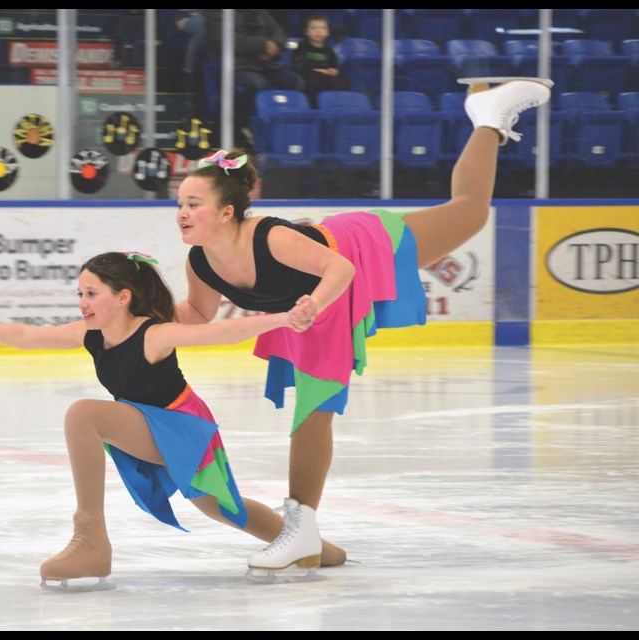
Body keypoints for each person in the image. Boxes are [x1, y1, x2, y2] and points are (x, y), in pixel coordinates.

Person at [173, 78, 553, 576]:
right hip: (306, 308)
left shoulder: (272, 238)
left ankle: (489, 119)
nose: (181, 213)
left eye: (192, 204)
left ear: (226, 211)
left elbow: (340, 271)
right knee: (314, 408)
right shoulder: (202, 263)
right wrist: (135, 311)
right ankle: (302, 528)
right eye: (179, 202)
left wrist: (312, 303)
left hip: (352, 254)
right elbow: (197, 316)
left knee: (469, 213)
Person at [0, 251, 347, 591]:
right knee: (216, 504)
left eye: (92, 294)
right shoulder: (92, 335)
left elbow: (220, 333)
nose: (83, 303)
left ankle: (91, 540)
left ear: (123, 296)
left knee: (89, 419)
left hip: (181, 426)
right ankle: (317, 549)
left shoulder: (153, 333)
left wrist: (283, 320)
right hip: (148, 424)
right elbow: (25, 335)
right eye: (80, 294)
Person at [204, 9, 304, 148]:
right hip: (236, 66)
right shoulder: (218, 12)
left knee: (295, 81)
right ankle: (249, 127)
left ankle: (288, 133)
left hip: (266, 65)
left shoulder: (260, 12)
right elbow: (223, 38)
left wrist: (275, 45)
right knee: (259, 85)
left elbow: (279, 32)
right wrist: (262, 45)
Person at [290, 15, 344, 108]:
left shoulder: (329, 49)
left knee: (341, 79)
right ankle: (314, 107)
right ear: (306, 32)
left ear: (327, 32)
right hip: (308, 77)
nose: (318, 31)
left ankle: (335, 106)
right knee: (313, 80)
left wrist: (334, 70)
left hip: (325, 77)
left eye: (322, 28)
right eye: (314, 28)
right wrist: (320, 71)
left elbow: (334, 64)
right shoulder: (302, 47)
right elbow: (300, 66)